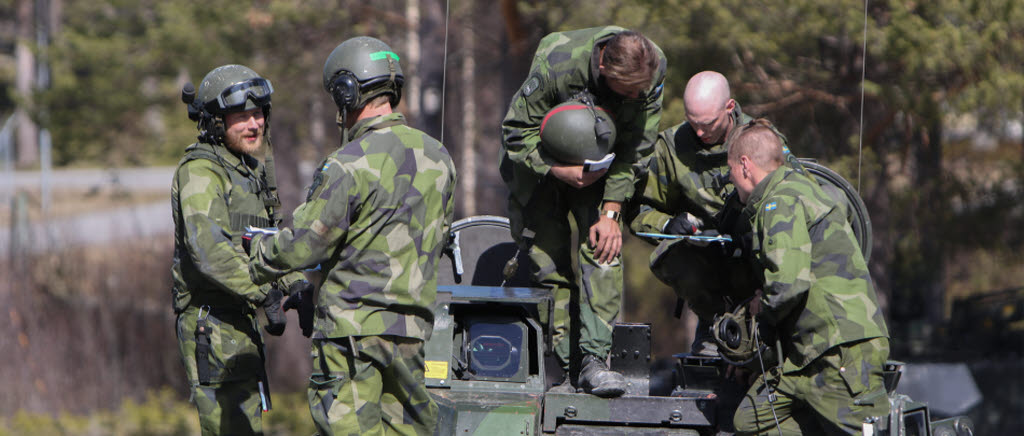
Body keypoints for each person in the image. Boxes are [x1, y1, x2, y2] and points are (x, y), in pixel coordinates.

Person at [246, 36, 456, 436]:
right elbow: (440, 238)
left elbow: (305, 245)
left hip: (353, 335)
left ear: (347, 89)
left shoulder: (347, 164)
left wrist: (256, 250)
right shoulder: (440, 157)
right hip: (413, 331)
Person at [500, 26, 666, 397]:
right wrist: (558, 170)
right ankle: (560, 361)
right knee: (548, 261)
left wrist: (611, 212)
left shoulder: (650, 71)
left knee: (603, 250)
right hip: (542, 164)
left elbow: (637, 147)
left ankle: (595, 361)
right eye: (629, 93)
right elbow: (514, 132)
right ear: (604, 67)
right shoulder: (557, 61)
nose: (638, 96)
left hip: (602, 167)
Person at [726, 119, 890, 435]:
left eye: (731, 169)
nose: (731, 179)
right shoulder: (799, 187)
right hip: (808, 355)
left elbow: (788, 284)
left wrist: (760, 317)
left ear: (745, 165)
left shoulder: (780, 200)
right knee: (750, 421)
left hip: (840, 347)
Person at [171, 64, 309, 435]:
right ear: (215, 122)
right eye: (242, 116)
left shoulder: (247, 170)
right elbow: (209, 252)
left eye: (258, 113)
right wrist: (265, 293)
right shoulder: (201, 173)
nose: (255, 124)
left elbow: (264, 237)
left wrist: (297, 283)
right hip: (212, 326)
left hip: (241, 322)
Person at [629, 70, 794, 356]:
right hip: (713, 295)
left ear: (730, 107)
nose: (700, 133)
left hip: (765, 284)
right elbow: (639, 211)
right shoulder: (671, 149)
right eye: (693, 123)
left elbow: (795, 201)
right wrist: (667, 224)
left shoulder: (763, 141)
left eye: (708, 124)